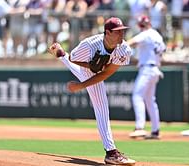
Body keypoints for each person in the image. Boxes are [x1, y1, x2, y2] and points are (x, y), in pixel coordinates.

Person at [48, 17, 136, 165]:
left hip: (99, 70)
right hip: (87, 66)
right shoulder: (89, 45)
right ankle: (111, 153)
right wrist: (89, 66)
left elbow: (106, 73)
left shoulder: (124, 49)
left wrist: (82, 84)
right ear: (107, 32)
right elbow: (74, 58)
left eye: (122, 31)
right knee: (102, 107)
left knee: (96, 86)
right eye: (117, 32)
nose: (121, 34)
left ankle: (60, 55)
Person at [127, 15, 166, 139]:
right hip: (155, 68)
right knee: (150, 100)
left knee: (137, 96)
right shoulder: (157, 36)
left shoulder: (146, 34)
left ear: (140, 25)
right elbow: (162, 52)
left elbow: (131, 42)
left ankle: (140, 127)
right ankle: (155, 130)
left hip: (147, 69)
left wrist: (120, 47)